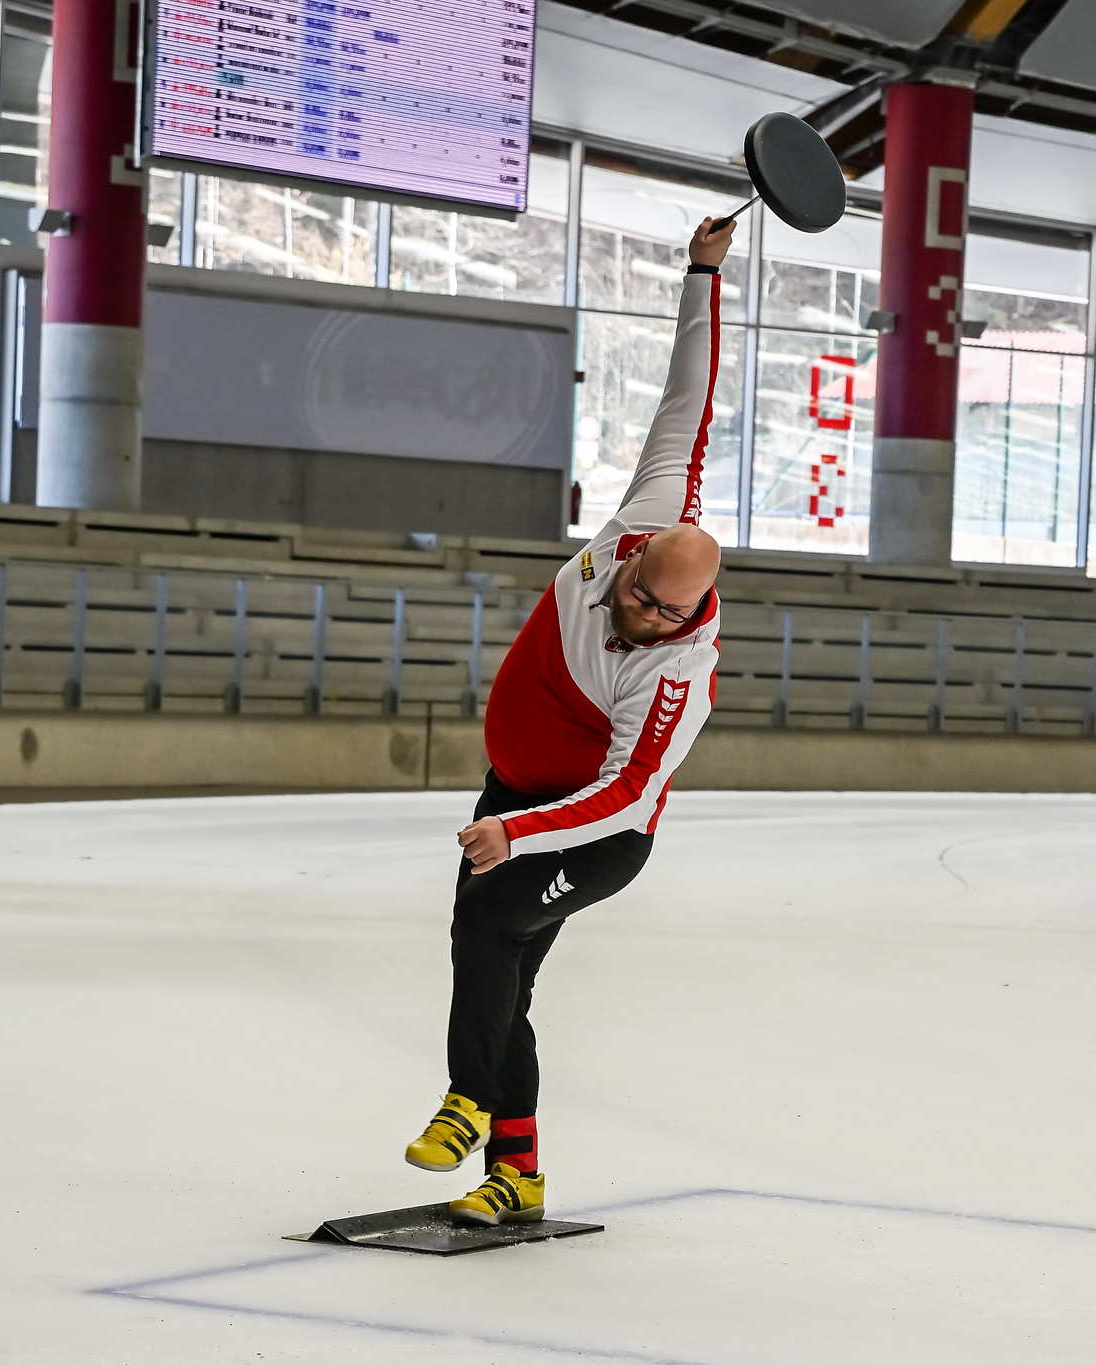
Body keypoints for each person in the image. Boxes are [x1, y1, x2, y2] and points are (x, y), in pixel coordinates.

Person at [401, 216, 734, 1225]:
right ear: (631, 557)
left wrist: (517, 831)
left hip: (590, 834)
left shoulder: (679, 676)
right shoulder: (644, 515)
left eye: (663, 612)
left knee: (494, 927)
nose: (639, 611)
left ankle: (466, 1101)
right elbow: (691, 397)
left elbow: (628, 794)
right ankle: (517, 1177)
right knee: (496, 969)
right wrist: (699, 274)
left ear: (691, 615)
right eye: (637, 590)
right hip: (512, 800)